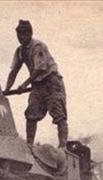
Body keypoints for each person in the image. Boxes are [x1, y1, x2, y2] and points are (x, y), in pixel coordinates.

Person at [5, 19, 68, 148]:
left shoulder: (37, 46)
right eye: (18, 34)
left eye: (23, 34)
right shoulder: (20, 51)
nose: (20, 37)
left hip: (52, 83)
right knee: (31, 114)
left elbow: (40, 69)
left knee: (58, 115)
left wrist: (24, 84)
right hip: (37, 86)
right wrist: (6, 90)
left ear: (30, 33)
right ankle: (29, 145)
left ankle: (62, 147)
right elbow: (14, 71)